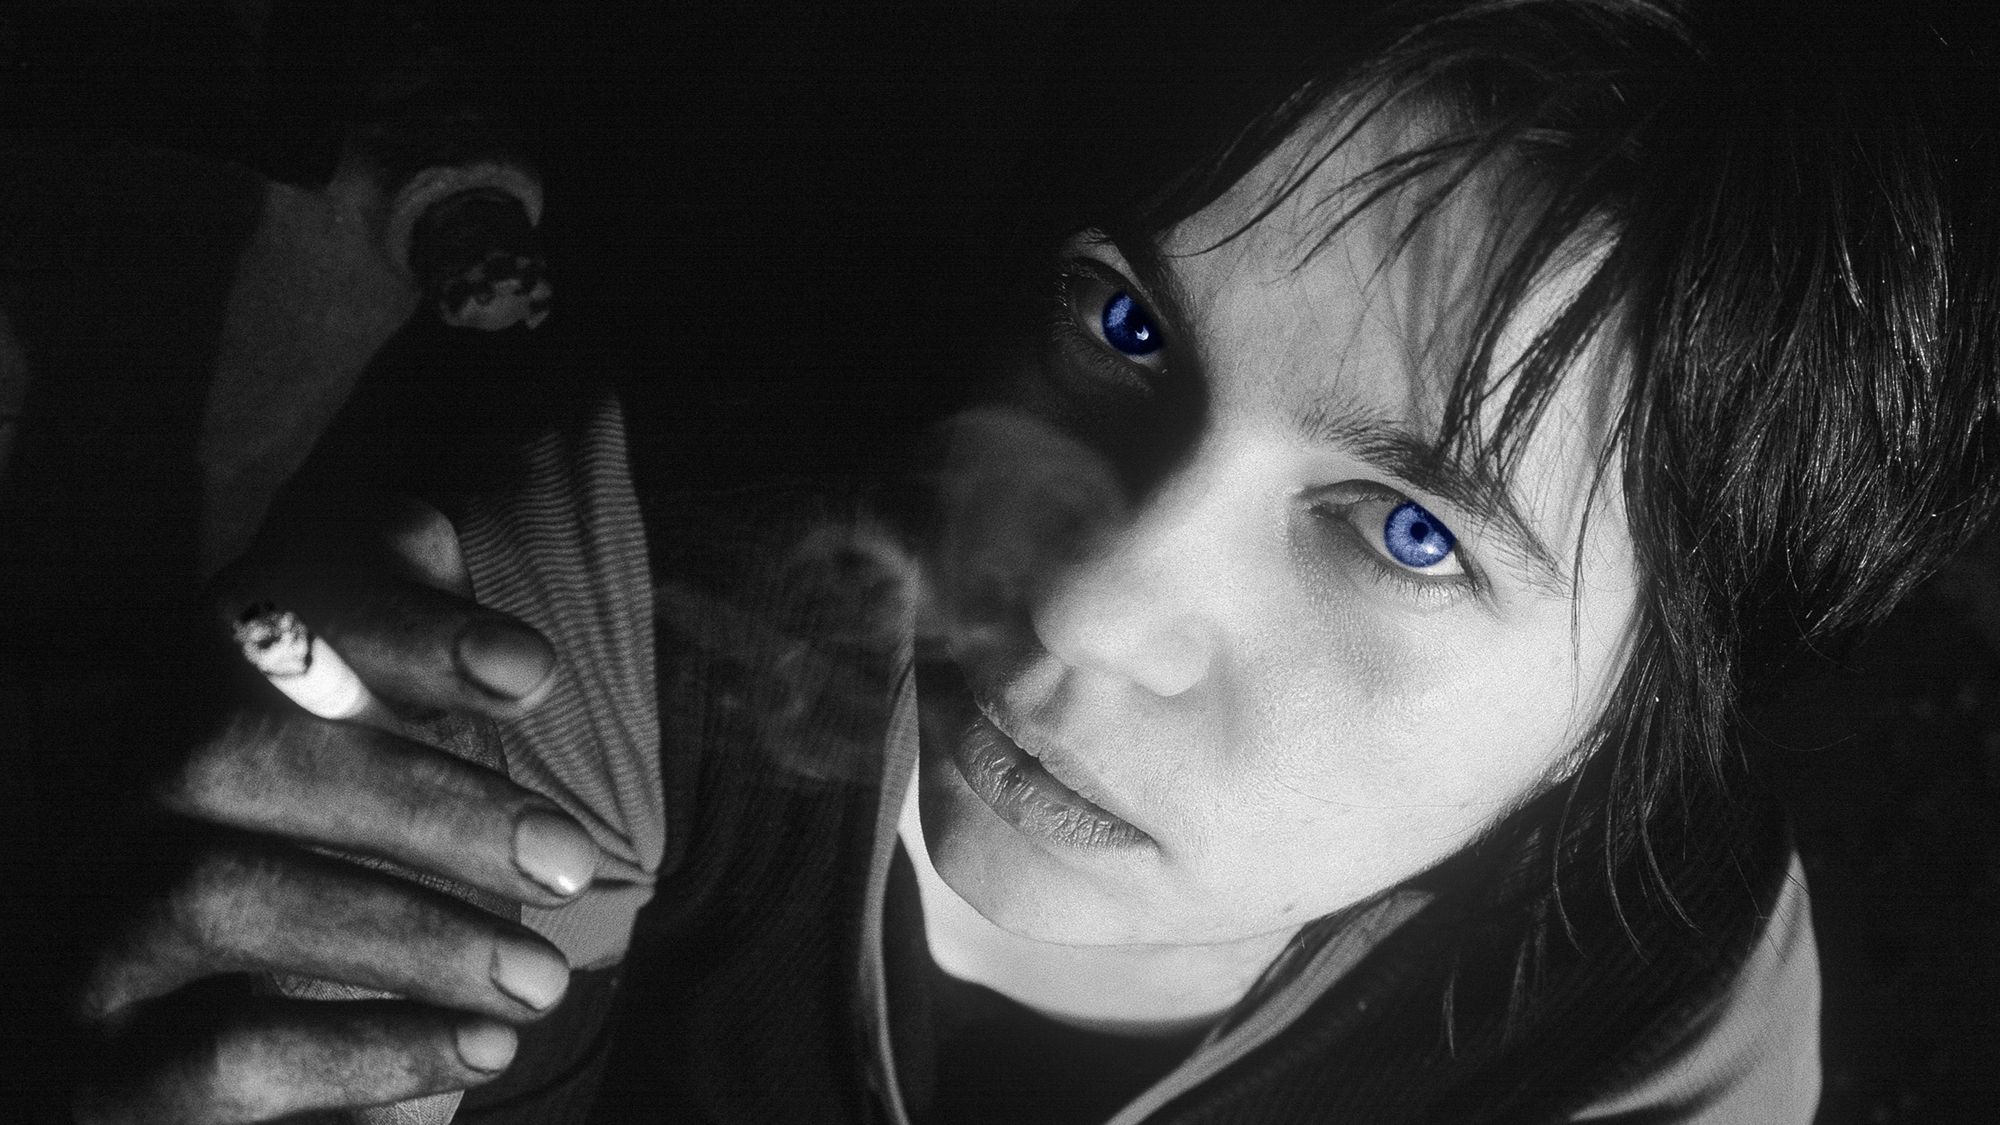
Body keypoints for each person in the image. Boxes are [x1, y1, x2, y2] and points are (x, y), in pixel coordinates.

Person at [54, 0, 2000, 1121]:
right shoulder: (613, 599)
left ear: (1656, 692)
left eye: (1410, 529)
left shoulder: (1659, 991)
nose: (1075, 602)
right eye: (1124, 324)